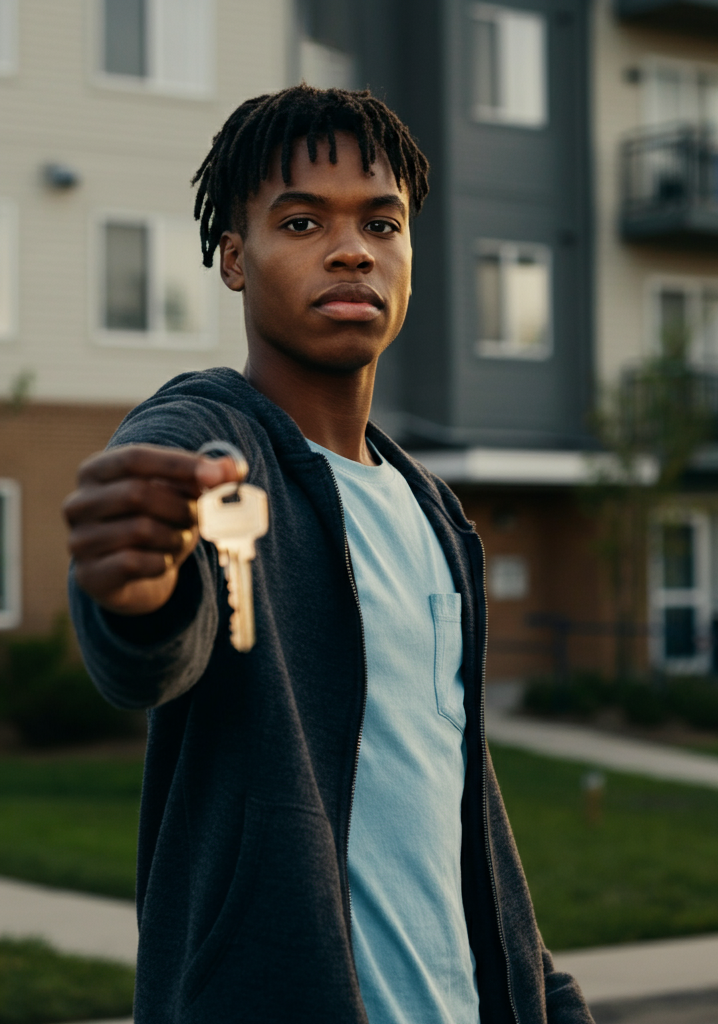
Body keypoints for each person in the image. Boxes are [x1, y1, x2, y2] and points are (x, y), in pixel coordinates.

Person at [63, 85, 593, 1024]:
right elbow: (155, 644)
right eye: (301, 221)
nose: (352, 249)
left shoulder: (435, 515)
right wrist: (138, 590)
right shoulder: (216, 437)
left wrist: (543, 994)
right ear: (234, 259)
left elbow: (452, 802)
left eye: (381, 222)